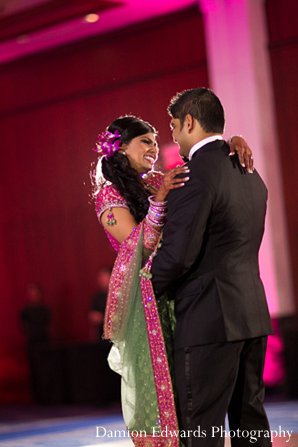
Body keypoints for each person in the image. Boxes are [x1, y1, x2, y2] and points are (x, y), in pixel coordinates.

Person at [92, 114, 254, 446]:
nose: (154, 148)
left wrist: (229, 145)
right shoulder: (108, 197)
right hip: (148, 302)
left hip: (181, 288)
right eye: (145, 141)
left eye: (155, 141)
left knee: (194, 387)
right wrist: (162, 198)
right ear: (120, 148)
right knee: (161, 390)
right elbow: (137, 245)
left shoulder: (155, 181)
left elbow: (202, 179)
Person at [151, 88, 272, 447]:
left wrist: (142, 293)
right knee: (252, 426)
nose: (172, 135)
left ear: (189, 121)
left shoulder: (192, 176)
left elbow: (178, 256)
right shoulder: (250, 171)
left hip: (209, 320)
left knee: (200, 429)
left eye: (173, 126)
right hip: (251, 313)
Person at [88, 267, 111, 340]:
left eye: (104, 277)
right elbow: (92, 314)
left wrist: (102, 318)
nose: (101, 280)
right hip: (101, 334)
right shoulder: (97, 297)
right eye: (100, 277)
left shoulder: (118, 296)